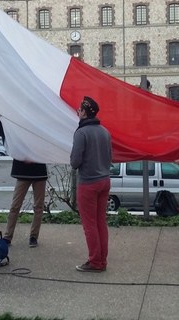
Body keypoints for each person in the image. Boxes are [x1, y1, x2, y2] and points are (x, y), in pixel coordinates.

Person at [0, 106, 48, 248]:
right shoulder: (17, 126)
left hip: (38, 171)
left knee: (38, 207)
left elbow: (46, 145)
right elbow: (3, 131)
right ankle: (8, 237)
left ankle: (33, 236)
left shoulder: (41, 129)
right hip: (23, 171)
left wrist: (35, 156)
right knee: (15, 206)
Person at [70, 96, 112, 273]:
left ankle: (95, 262)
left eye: (79, 109)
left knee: (90, 225)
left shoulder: (81, 133)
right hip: (104, 181)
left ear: (85, 112)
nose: (77, 112)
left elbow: (75, 162)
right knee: (101, 222)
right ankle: (102, 260)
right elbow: (110, 157)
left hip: (88, 183)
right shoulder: (105, 131)